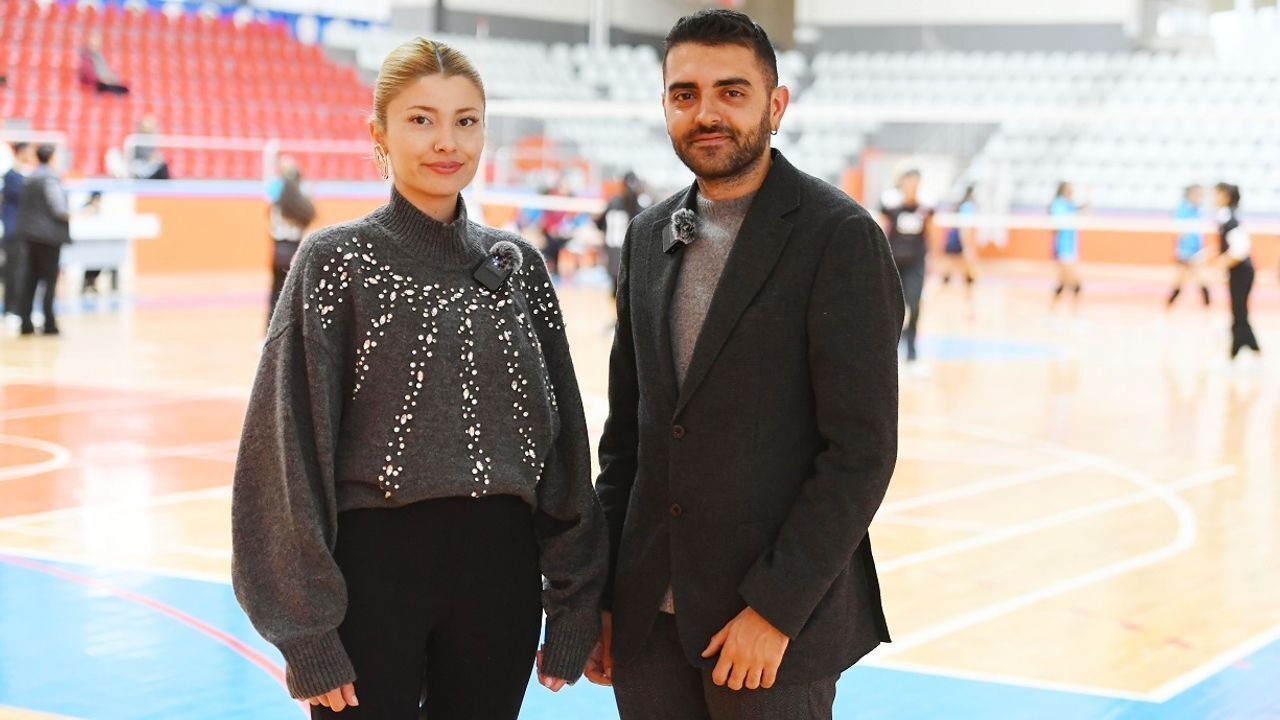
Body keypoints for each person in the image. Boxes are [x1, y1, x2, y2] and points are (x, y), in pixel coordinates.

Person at [231, 37, 606, 719]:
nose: (446, 141)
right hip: (372, 582)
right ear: (378, 133)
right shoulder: (333, 262)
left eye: (466, 121)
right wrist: (305, 631)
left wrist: (576, 600)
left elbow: (564, 445)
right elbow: (284, 455)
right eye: (420, 119)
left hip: (500, 582)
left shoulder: (519, 266)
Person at [589, 10, 903, 720]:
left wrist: (776, 609)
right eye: (685, 94)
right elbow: (628, 440)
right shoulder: (646, 236)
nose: (707, 113)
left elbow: (860, 453)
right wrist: (607, 595)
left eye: (732, 92)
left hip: (766, 635)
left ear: (776, 105)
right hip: (648, 626)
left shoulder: (839, 236)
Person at [15, 145, 71, 336]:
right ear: (52, 158)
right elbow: (59, 209)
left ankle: (25, 322)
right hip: (48, 237)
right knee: (49, 281)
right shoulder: (50, 179)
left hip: (29, 235)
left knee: (29, 278)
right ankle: (49, 323)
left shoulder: (29, 177)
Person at [880, 169, 933, 367]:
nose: (912, 186)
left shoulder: (926, 206)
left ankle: (912, 352)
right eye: (909, 182)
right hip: (893, 261)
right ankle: (889, 351)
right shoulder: (891, 205)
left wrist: (934, 258)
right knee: (890, 305)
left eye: (915, 183)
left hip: (915, 263)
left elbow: (931, 232)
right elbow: (882, 228)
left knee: (915, 304)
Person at [1212, 182, 1260, 360]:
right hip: (1239, 272)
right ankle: (1249, 347)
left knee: (1239, 310)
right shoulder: (1227, 217)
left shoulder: (1229, 218)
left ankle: (1239, 350)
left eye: (1217, 194)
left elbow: (1240, 250)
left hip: (1242, 272)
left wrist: (1222, 263)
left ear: (1226, 196)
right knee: (1239, 310)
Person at [266, 156, 315, 324]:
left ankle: (270, 330)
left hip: (278, 251)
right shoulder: (301, 204)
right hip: (295, 251)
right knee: (296, 296)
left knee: (275, 294)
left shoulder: (276, 204)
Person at [596, 171, 649, 297]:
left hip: (612, 250)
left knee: (616, 288)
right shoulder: (638, 204)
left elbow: (599, 224)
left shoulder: (613, 201)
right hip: (627, 250)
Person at [2, 142, 35, 316]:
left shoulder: (24, 175)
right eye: (28, 152)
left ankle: (21, 309)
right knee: (14, 270)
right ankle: (11, 309)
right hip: (13, 230)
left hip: (24, 230)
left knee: (23, 271)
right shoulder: (11, 176)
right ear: (21, 152)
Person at [1166, 184, 1211, 309]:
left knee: (1202, 282)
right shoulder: (1182, 209)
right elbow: (1179, 233)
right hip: (1185, 253)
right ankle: (1166, 312)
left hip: (1197, 252)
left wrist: (1202, 250)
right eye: (1198, 193)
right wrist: (1184, 253)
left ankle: (1209, 313)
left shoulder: (1198, 210)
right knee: (1179, 284)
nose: (1200, 196)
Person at [940, 184, 978, 304]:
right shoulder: (968, 206)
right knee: (965, 267)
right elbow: (964, 228)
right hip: (958, 240)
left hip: (953, 239)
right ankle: (967, 297)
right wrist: (967, 246)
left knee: (958, 268)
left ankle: (967, 297)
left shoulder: (963, 205)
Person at [1050, 181, 1084, 308]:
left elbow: (1083, 210)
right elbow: (1058, 222)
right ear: (1064, 190)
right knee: (1073, 282)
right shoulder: (1058, 204)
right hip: (1063, 247)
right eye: (1070, 189)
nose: (1072, 191)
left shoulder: (1070, 205)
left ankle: (1053, 309)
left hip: (1071, 247)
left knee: (1064, 282)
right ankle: (1073, 311)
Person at [79, 192, 118, 296]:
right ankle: (89, 284)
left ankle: (92, 284)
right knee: (92, 264)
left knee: (106, 262)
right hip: (87, 246)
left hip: (97, 245)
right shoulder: (87, 209)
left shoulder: (98, 210)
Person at [78, 31, 129, 96]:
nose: (96, 44)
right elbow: (88, 75)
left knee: (124, 89)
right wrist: (102, 79)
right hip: (97, 84)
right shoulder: (87, 58)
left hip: (103, 82)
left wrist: (109, 77)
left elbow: (105, 71)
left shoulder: (99, 56)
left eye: (98, 42)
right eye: (94, 42)